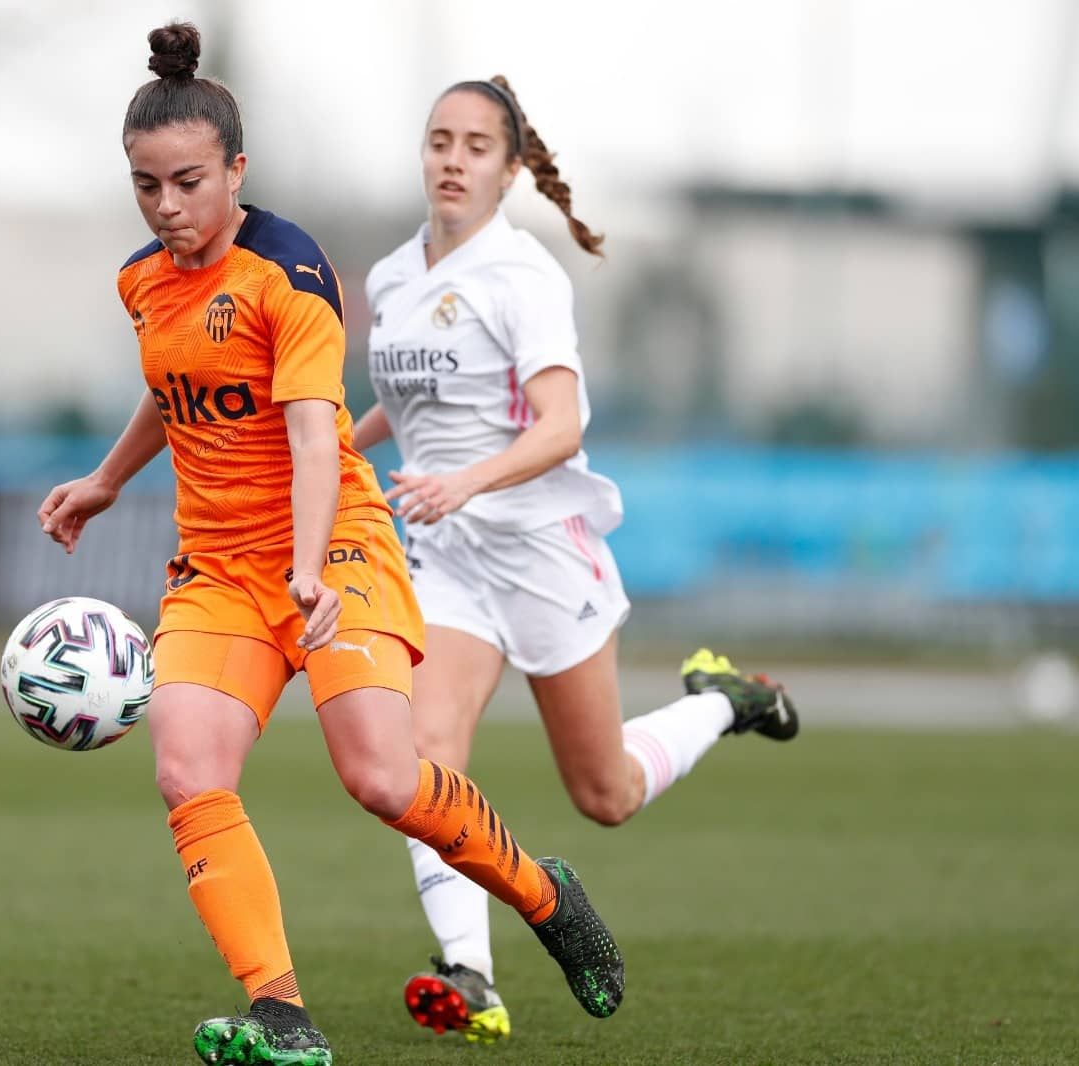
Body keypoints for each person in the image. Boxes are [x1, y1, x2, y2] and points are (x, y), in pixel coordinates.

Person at [38, 27, 624, 1066]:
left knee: (384, 780)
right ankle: (281, 1013)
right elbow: (173, 386)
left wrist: (308, 568)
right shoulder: (142, 282)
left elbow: (317, 437)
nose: (167, 207)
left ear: (235, 172)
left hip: (335, 544)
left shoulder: (290, 272)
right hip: (215, 566)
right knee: (187, 768)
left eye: (187, 182)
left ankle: (544, 893)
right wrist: (108, 479)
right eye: (145, 186)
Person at [351, 76, 800, 1046]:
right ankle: (467, 971)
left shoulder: (522, 276)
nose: (452, 159)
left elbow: (562, 427)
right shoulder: (392, 278)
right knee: (420, 760)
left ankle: (727, 699)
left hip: (540, 551)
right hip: (446, 556)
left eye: (476, 145)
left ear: (510, 171)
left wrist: (464, 480)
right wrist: (343, 444)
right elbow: (419, 401)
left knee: (604, 796)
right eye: (439, 140)